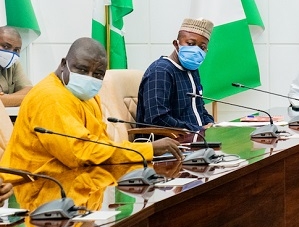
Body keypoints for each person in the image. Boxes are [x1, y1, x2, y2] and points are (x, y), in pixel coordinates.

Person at [1, 38, 181, 175]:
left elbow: (99, 144)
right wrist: (148, 149)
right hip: (39, 186)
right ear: (64, 64)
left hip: (79, 179)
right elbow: (81, 153)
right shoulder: (51, 96)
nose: (89, 77)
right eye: (81, 69)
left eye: (98, 74)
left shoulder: (85, 95)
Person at [135, 18, 215, 132]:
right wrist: (197, 129)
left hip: (197, 139)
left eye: (202, 47)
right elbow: (157, 119)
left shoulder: (192, 70)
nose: (196, 50)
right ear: (176, 44)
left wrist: (210, 123)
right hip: (170, 143)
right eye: (191, 44)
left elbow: (199, 108)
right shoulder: (161, 71)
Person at [0, 26, 32, 107]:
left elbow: (29, 91)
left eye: (16, 50)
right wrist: (23, 98)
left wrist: (6, 98)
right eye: (6, 46)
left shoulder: (13, 63)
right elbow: (31, 97)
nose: (11, 53)